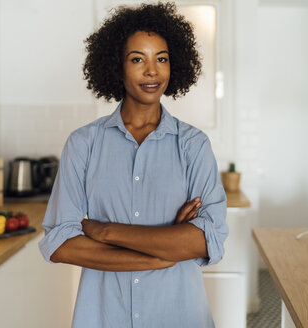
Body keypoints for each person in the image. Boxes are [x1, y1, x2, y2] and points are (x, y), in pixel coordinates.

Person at [39, 2, 228, 327]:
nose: (152, 71)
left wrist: (104, 231)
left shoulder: (193, 146)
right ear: (117, 66)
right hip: (103, 316)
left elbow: (205, 240)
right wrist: (164, 250)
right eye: (137, 59)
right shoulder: (84, 143)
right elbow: (62, 245)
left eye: (162, 59)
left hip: (178, 315)